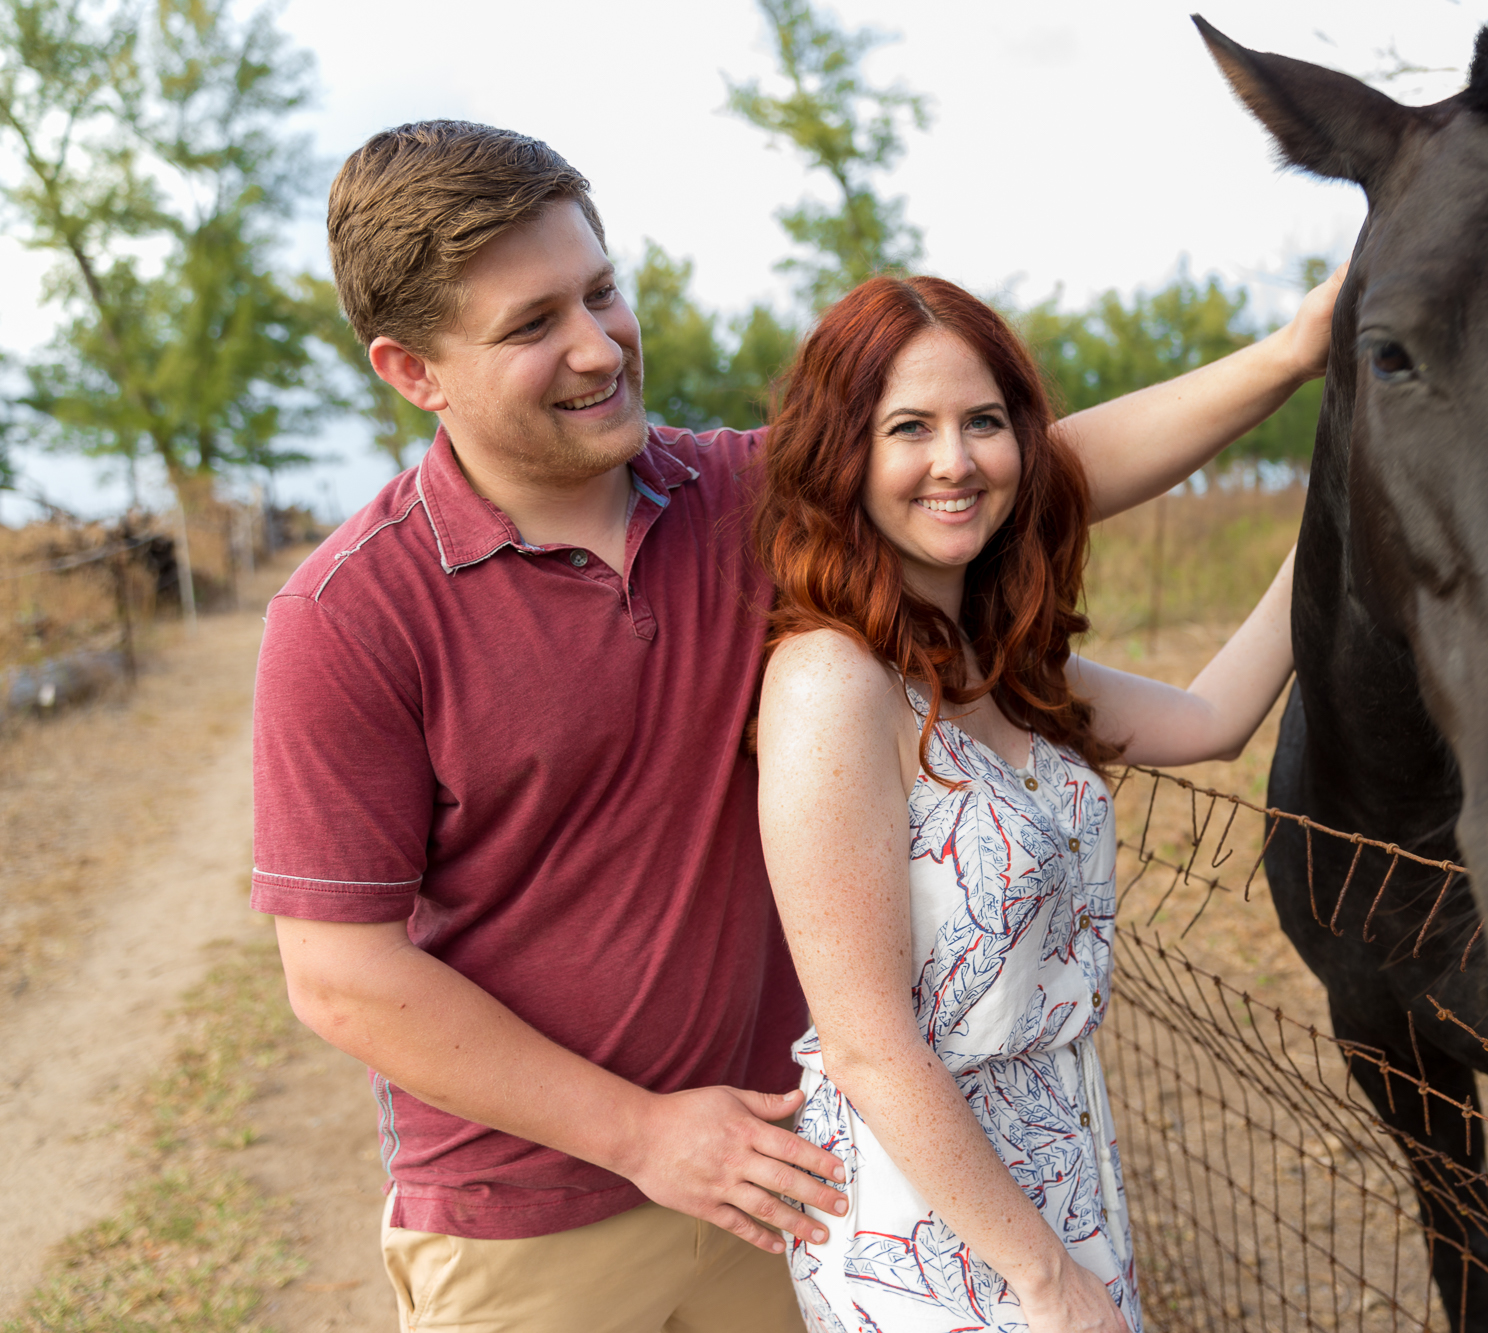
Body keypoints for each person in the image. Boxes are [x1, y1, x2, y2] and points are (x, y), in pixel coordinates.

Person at [251, 119, 1339, 1333]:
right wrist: (643, 1131)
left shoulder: (735, 501)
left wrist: (1292, 356)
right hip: (537, 1227)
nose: (596, 345)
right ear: (410, 370)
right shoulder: (352, 618)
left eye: (600, 292)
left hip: (791, 1177)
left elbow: (1031, 467)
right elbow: (342, 979)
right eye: (530, 325)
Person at [754, 276, 1301, 1333]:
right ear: (843, 457)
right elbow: (867, 1040)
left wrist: (1335, 520)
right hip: (927, 1209)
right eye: (907, 427)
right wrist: (1043, 1277)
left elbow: (1210, 720)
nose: (955, 460)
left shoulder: (991, 661)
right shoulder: (833, 680)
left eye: (984, 422)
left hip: (1056, 1158)